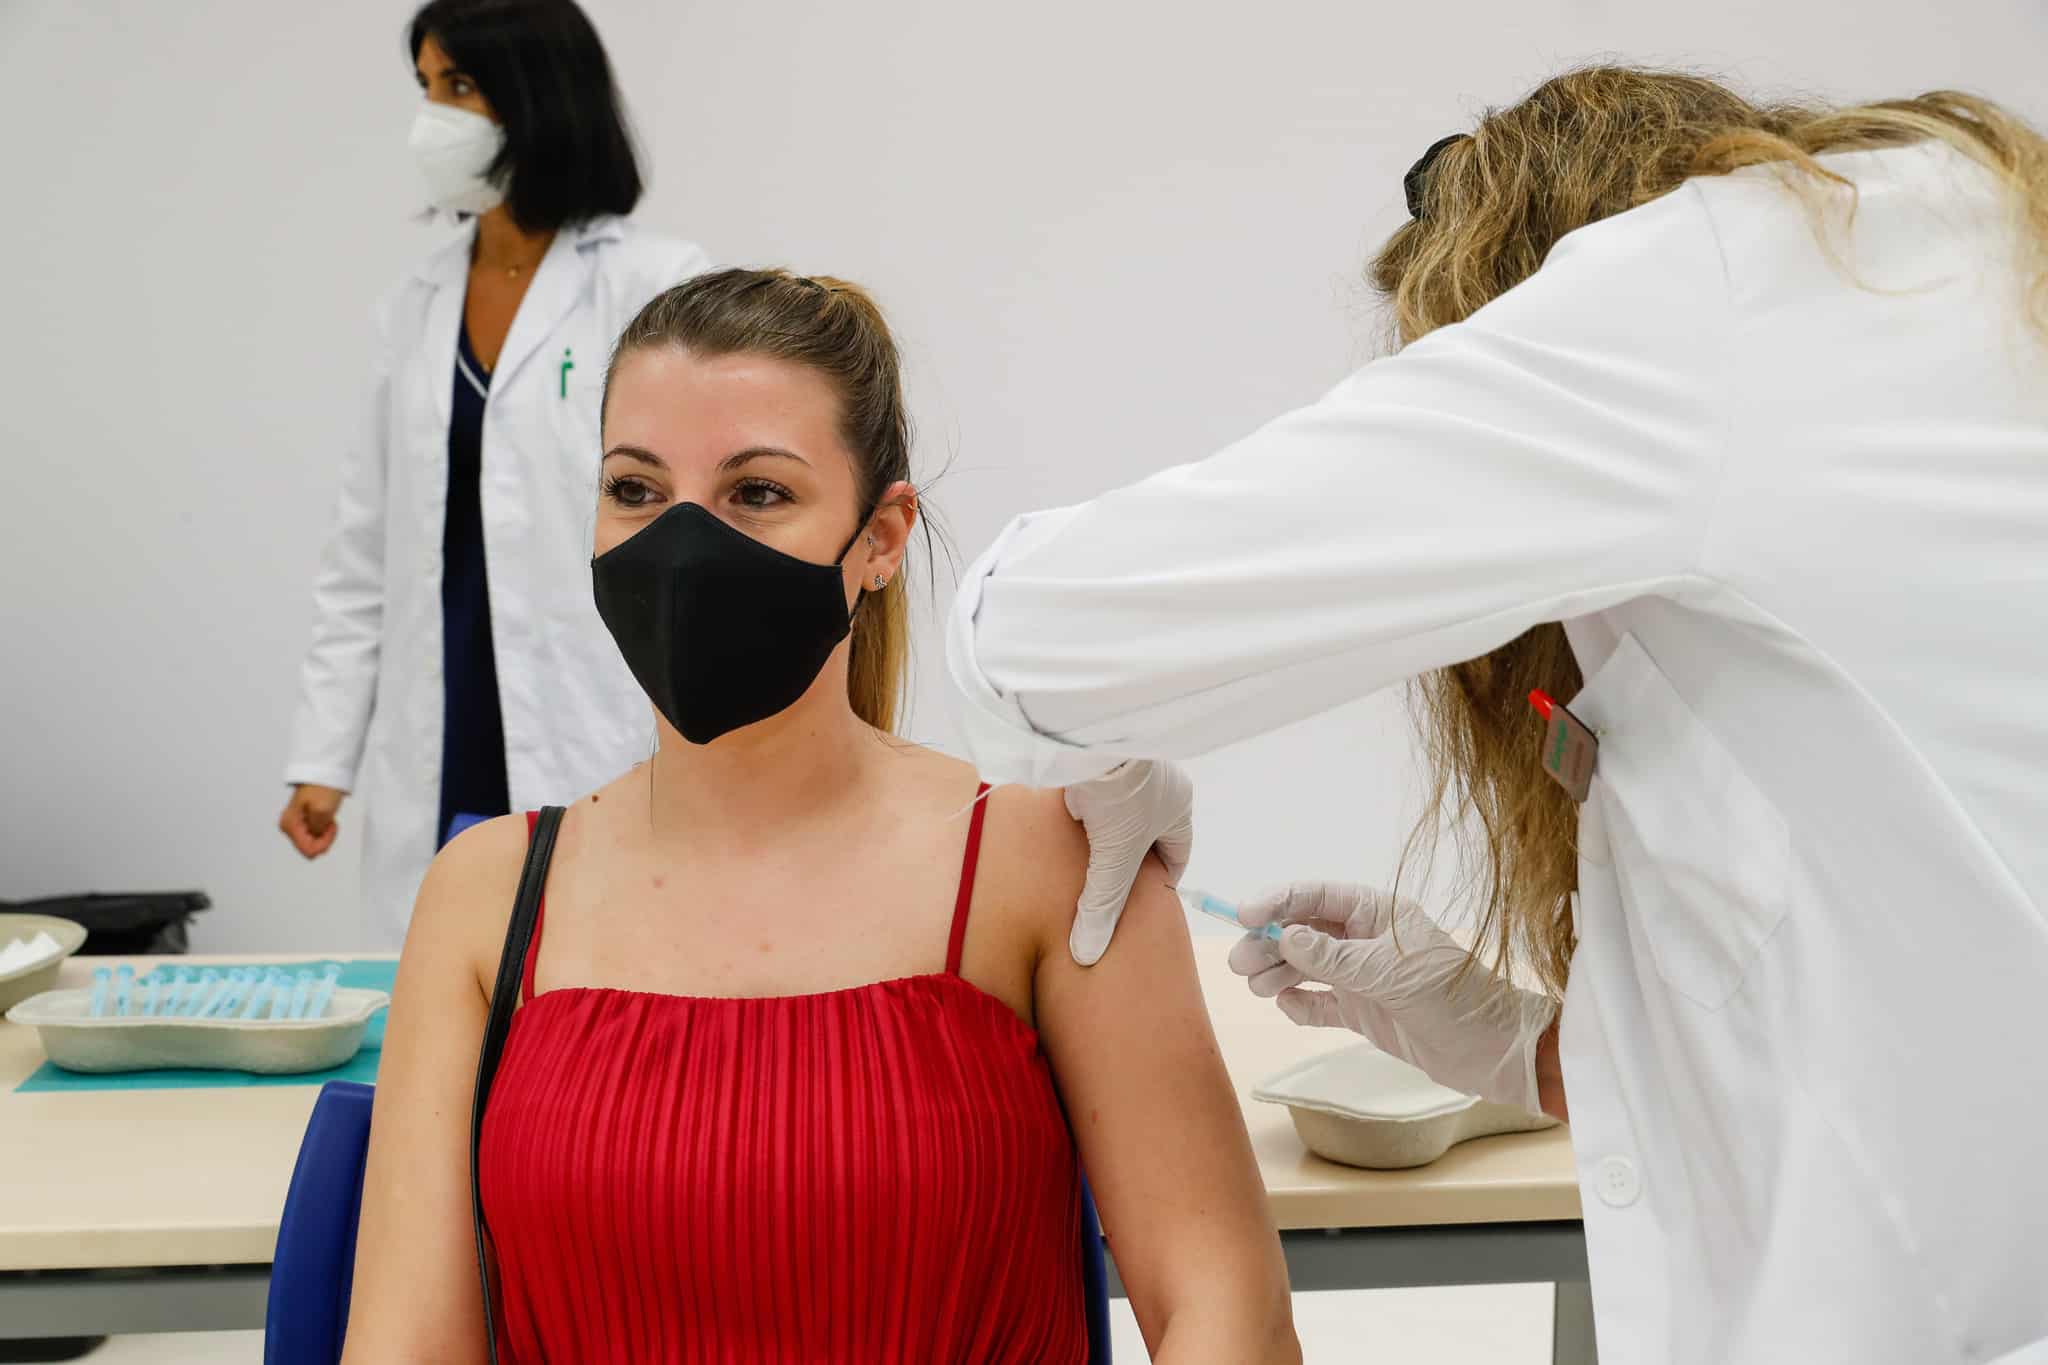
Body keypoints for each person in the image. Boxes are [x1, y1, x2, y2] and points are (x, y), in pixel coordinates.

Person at [946, 67, 2048, 1365]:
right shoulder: (1941, 276)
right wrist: (1523, 1045)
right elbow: (1911, 995)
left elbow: (1038, 630)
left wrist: (1089, 738)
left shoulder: (1685, 299)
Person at [340, 269, 1298, 1363]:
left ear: (881, 538)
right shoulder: (488, 893)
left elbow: (1227, 1310)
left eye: (756, 493)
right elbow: (405, 1348)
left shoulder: (1043, 859)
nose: (681, 549)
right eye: (635, 491)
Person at [280, 0, 713, 948]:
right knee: (451, 982)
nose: (432, 117)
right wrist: (325, 755)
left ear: (535, 98)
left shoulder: (647, 283)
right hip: (441, 708)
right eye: (426, 88)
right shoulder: (412, 307)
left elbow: (698, 530)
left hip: (591, 701)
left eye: (459, 87)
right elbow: (364, 549)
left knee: (600, 977)